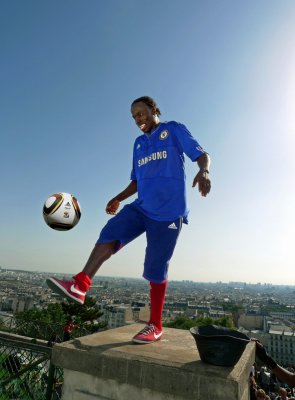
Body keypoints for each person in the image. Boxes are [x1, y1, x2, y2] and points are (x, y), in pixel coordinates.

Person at [46, 96, 211, 344]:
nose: (138, 119)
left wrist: (204, 170)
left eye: (141, 113)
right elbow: (136, 181)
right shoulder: (138, 144)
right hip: (141, 207)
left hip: (168, 212)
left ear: (154, 110)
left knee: (156, 266)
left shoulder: (173, 129)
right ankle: (80, 285)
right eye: (134, 116)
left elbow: (201, 154)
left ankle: (155, 325)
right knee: (110, 232)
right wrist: (118, 198)